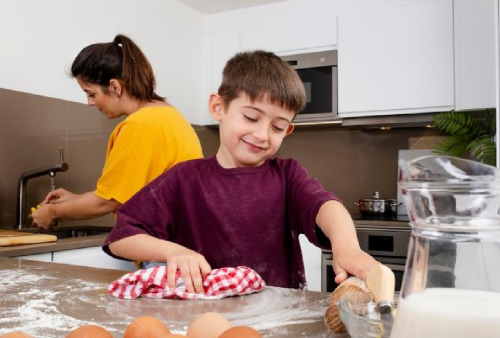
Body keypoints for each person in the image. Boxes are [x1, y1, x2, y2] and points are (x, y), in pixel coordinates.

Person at [103, 50, 379, 293]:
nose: (261, 134)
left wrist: (348, 248)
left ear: (288, 130)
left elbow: (326, 206)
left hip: (273, 319)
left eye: (277, 127)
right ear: (218, 107)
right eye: (251, 117)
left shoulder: (287, 176)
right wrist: (173, 251)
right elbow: (121, 238)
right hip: (200, 319)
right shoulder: (183, 178)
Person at [31, 34, 203, 229]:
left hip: (165, 247)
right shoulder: (168, 114)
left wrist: (52, 212)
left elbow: (107, 202)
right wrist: (75, 200)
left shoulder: (140, 125)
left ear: (114, 86)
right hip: (184, 242)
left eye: (91, 93)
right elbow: (122, 192)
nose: (89, 102)